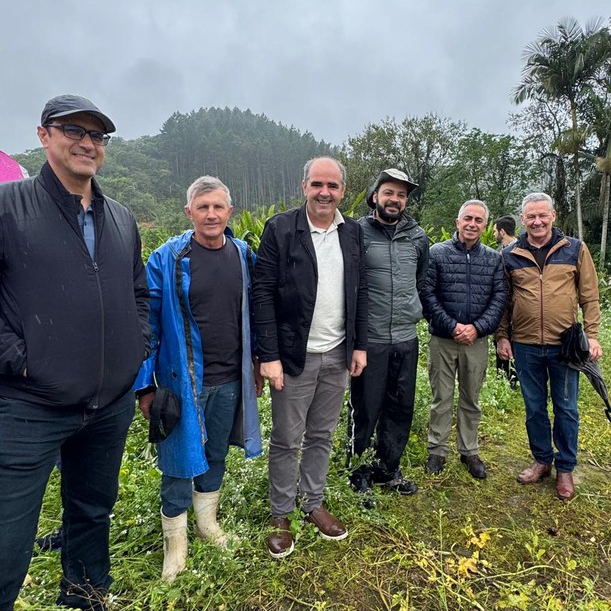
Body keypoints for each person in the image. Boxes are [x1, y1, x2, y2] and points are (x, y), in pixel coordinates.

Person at [0, 95, 150, 611]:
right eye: (74, 131)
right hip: (30, 405)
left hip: (109, 404)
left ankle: (86, 597)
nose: (88, 143)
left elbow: (138, 293)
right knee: (8, 537)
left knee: (92, 513)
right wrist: (21, 359)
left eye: (97, 135)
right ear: (44, 135)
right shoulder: (8, 207)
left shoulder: (121, 218)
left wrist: (136, 348)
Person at [134, 175, 263, 582]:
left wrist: (257, 363)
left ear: (230, 212)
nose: (211, 214)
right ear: (189, 211)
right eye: (202, 207)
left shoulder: (243, 255)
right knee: (177, 461)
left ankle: (207, 523)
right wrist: (145, 385)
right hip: (181, 382)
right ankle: (175, 544)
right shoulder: (167, 258)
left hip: (230, 379)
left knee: (217, 452)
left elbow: (255, 315)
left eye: (218, 206)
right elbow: (148, 324)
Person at [253, 157, 368, 559]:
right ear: (304, 187)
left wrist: (358, 345)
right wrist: (269, 355)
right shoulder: (281, 229)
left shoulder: (352, 232)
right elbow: (262, 292)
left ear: (343, 191)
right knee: (287, 438)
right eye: (317, 184)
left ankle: (312, 502)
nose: (324, 192)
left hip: (337, 353)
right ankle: (281, 513)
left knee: (322, 434)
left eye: (332, 186)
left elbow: (360, 291)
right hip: (293, 356)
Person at [496, 193, 602, 500]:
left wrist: (592, 335)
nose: (537, 221)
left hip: (564, 346)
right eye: (531, 216)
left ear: (553, 216)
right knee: (534, 407)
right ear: (523, 219)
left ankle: (565, 468)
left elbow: (589, 296)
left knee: (566, 407)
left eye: (542, 215)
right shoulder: (511, 254)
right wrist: (502, 336)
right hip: (525, 345)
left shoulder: (575, 249)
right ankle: (542, 460)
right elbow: (504, 300)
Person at [348, 168, 429, 503]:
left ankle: (388, 468)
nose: (394, 200)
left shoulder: (418, 237)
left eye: (401, 195)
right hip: (371, 338)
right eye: (389, 193)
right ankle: (359, 472)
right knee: (366, 407)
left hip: (406, 337)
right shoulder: (356, 232)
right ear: (375, 196)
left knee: (400, 405)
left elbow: (420, 280)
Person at [420, 200, 506, 479]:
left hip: (476, 342)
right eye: (467, 218)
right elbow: (427, 294)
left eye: (478, 220)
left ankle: (469, 450)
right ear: (458, 222)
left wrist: (478, 328)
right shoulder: (437, 253)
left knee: (471, 397)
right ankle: (437, 450)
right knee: (441, 397)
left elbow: (499, 298)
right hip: (443, 339)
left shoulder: (493, 258)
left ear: (485, 226)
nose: (472, 224)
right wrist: (451, 325)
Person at [493, 216, 519, 387]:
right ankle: (502, 378)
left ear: (502, 232)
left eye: (495, 231)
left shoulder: (519, 251)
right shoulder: (499, 252)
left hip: (515, 308)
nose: (494, 234)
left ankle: (513, 379)